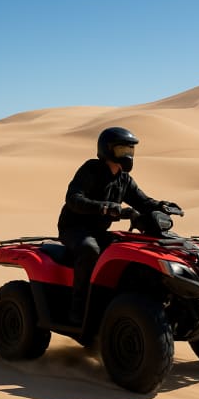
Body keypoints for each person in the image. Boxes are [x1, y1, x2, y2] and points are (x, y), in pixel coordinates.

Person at [57, 126, 180, 325]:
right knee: (89, 249)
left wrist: (161, 205)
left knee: (128, 250)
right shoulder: (91, 170)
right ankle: (78, 311)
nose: (128, 155)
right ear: (108, 150)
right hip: (73, 229)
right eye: (123, 150)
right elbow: (73, 199)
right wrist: (108, 208)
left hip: (98, 231)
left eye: (130, 151)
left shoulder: (124, 179)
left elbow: (142, 201)